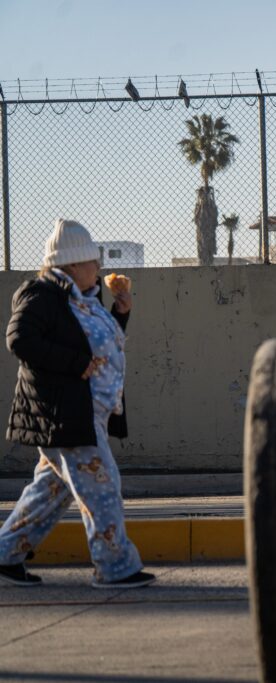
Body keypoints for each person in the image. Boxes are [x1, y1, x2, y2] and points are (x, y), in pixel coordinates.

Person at [0, 220, 156, 588]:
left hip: (84, 415)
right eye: (93, 262)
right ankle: (115, 567)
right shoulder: (42, 295)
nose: (99, 268)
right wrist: (74, 364)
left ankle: (5, 555)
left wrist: (121, 311)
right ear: (71, 265)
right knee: (102, 487)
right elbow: (19, 339)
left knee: (48, 494)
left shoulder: (82, 299)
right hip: (66, 415)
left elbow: (102, 343)